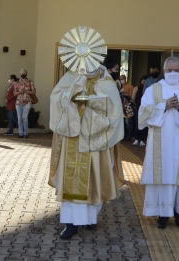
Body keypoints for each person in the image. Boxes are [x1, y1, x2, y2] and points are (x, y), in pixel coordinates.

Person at [49, 61, 125, 240]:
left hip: (95, 139)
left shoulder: (105, 79)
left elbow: (113, 108)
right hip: (73, 137)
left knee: (93, 177)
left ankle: (90, 218)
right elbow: (57, 98)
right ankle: (70, 223)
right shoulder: (71, 76)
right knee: (72, 178)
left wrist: (90, 101)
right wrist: (73, 93)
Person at [139, 57, 179, 228]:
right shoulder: (153, 90)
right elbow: (143, 113)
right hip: (158, 142)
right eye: (169, 70)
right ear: (164, 71)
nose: (173, 73)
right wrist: (164, 106)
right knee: (162, 177)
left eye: (176, 70)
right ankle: (163, 214)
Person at [13, 69, 36, 138]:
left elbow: (33, 92)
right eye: (22, 73)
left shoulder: (30, 82)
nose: (23, 74)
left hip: (27, 101)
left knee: (24, 117)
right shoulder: (17, 83)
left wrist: (25, 91)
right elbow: (14, 94)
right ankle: (21, 133)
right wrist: (20, 92)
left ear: (27, 73)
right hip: (19, 102)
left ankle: (26, 133)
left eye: (24, 73)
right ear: (20, 74)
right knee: (19, 118)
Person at [132, 75, 148, 146]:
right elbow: (133, 98)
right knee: (137, 123)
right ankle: (136, 139)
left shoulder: (148, 89)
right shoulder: (136, 88)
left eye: (145, 80)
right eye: (142, 80)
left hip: (146, 108)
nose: (143, 81)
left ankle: (142, 140)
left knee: (144, 124)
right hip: (138, 107)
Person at [120, 75, 135, 140]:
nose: (121, 80)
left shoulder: (130, 87)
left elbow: (132, 97)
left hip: (127, 106)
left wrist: (126, 95)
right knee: (121, 122)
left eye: (122, 79)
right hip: (121, 106)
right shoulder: (120, 86)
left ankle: (129, 135)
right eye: (120, 79)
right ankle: (123, 135)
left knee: (128, 121)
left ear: (125, 79)